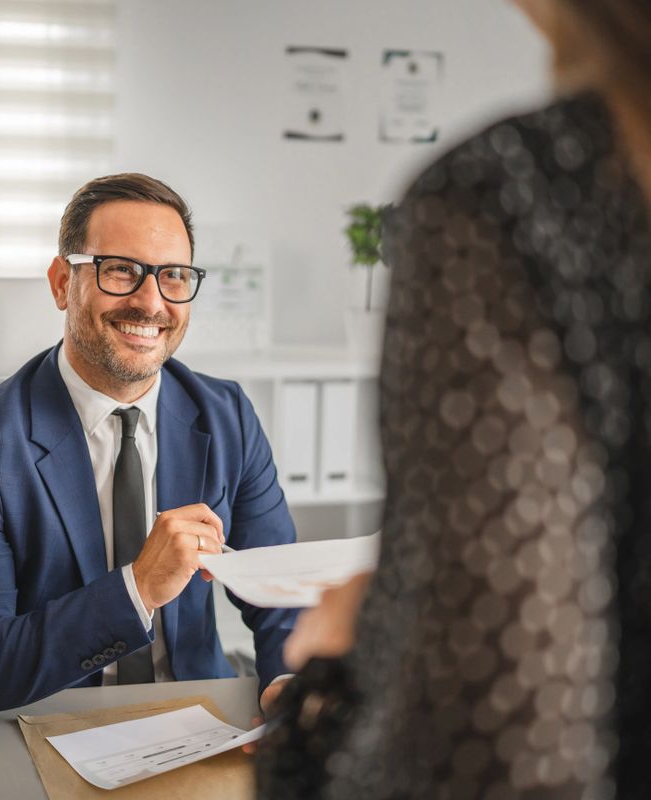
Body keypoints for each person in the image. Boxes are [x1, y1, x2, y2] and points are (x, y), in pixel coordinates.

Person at [256, 1, 651, 797]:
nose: (153, 301)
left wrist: (355, 652)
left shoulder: (508, 199)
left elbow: (490, 733)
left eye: (173, 275)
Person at [0, 173, 297, 721]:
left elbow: (280, 588)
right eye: (121, 270)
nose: (151, 302)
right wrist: (137, 589)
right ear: (61, 282)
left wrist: (289, 680)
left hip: (196, 718)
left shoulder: (226, 414)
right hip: (38, 719)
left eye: (174, 276)